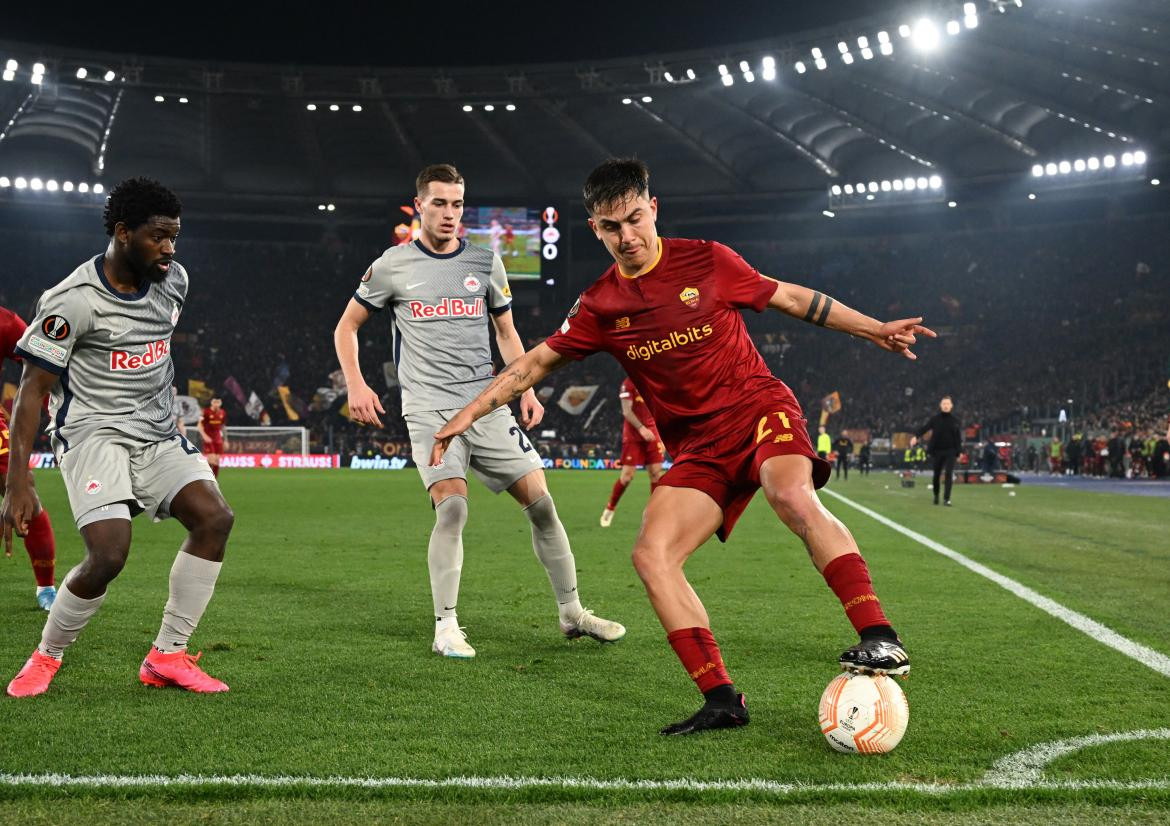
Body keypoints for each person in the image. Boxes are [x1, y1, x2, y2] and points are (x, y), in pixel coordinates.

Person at [431, 158, 933, 734]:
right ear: (594, 228)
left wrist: (874, 328)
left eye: (635, 219)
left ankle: (879, 636)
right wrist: (466, 414)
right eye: (610, 227)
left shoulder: (709, 260)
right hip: (698, 448)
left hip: (757, 408)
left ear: (653, 210)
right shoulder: (600, 306)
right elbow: (534, 364)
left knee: (790, 494)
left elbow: (792, 299)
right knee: (651, 555)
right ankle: (721, 699)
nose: (627, 237)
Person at [334, 163, 624, 660]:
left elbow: (507, 334)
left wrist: (526, 388)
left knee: (544, 506)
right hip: (429, 408)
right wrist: (356, 385)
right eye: (440, 203)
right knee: (454, 509)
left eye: (458, 204)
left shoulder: (485, 261)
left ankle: (572, 612)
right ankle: (446, 626)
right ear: (419, 204)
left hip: (487, 405)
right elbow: (347, 327)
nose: (450, 213)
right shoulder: (391, 265)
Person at [3, 177, 234, 698]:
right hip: (92, 436)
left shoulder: (174, 282)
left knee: (215, 518)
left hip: (155, 432)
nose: (169, 249)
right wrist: (19, 481)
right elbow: (31, 391)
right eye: (158, 237)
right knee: (108, 555)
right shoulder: (71, 301)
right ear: (123, 232)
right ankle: (47, 655)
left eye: (174, 237)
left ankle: (167, 657)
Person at [1, 305, 57, 610]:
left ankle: (46, 587)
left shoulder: (6, 323)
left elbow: (42, 367)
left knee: (25, 491)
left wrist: (56, 414)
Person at [600, 377, 665, 527]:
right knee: (627, 477)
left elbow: (661, 408)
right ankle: (610, 508)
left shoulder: (654, 381)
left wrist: (661, 435)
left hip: (652, 432)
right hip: (633, 435)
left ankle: (654, 515)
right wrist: (642, 428)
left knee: (656, 474)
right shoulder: (628, 384)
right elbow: (626, 411)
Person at [911, 396, 961, 506]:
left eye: (948, 403)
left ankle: (946, 499)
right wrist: (916, 436)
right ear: (940, 405)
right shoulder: (935, 419)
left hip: (951, 451)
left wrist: (959, 451)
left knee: (949, 474)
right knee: (936, 475)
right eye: (944, 403)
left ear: (951, 406)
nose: (946, 405)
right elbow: (925, 428)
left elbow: (958, 438)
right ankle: (936, 495)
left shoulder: (955, 421)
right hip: (937, 451)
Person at [198, 397, 227, 479]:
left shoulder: (222, 412)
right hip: (209, 439)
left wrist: (225, 440)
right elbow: (199, 425)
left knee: (217, 462)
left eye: (218, 402)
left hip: (218, 439)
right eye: (215, 402)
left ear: (221, 403)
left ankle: (214, 481)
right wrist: (204, 436)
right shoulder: (206, 412)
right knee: (212, 461)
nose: (216, 404)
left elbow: (223, 426)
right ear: (211, 402)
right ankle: (203, 475)